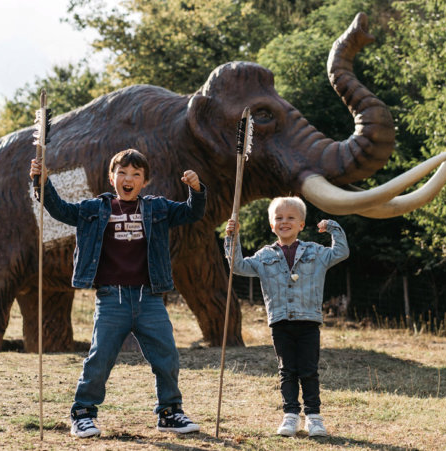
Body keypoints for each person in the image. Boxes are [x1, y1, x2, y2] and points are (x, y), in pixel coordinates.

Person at [30, 148, 205, 438]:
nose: (128, 178)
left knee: (167, 356)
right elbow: (59, 209)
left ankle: (170, 413)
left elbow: (191, 212)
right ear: (111, 178)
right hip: (112, 299)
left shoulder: (158, 208)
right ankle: (83, 413)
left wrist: (197, 190)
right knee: (100, 358)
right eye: (122, 172)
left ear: (144, 182)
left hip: (149, 298)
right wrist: (42, 182)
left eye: (136, 174)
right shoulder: (93, 209)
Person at [224, 196, 348, 437]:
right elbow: (236, 266)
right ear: (272, 225)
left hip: (308, 321)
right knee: (287, 370)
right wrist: (232, 237)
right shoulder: (263, 256)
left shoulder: (315, 251)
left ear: (301, 224)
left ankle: (314, 418)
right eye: (279, 218)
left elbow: (341, 252)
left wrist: (332, 227)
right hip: (280, 323)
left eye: (291, 217)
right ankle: (290, 415)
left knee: (309, 370)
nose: (284, 221)